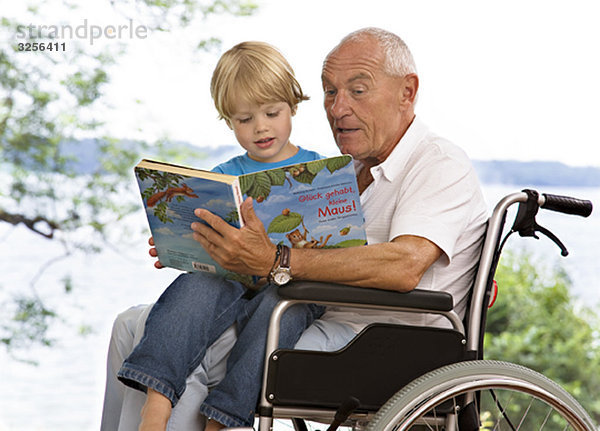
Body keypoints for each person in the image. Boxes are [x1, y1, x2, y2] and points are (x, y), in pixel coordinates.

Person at [103, 26, 488, 430]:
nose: (338, 109)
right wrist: (192, 243)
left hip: (374, 341)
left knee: (171, 341)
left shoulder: (438, 162)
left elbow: (405, 265)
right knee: (129, 324)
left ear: (407, 92)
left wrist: (277, 260)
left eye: (358, 90)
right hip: (304, 310)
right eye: (330, 92)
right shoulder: (347, 172)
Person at [100, 41, 325, 431]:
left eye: (272, 113)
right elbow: (200, 238)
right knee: (196, 282)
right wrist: (177, 245)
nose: (260, 127)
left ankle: (223, 419)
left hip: (291, 283)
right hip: (231, 278)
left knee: (283, 308)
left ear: (293, 105)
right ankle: (156, 403)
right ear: (227, 120)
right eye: (243, 119)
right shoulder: (222, 174)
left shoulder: (319, 171)